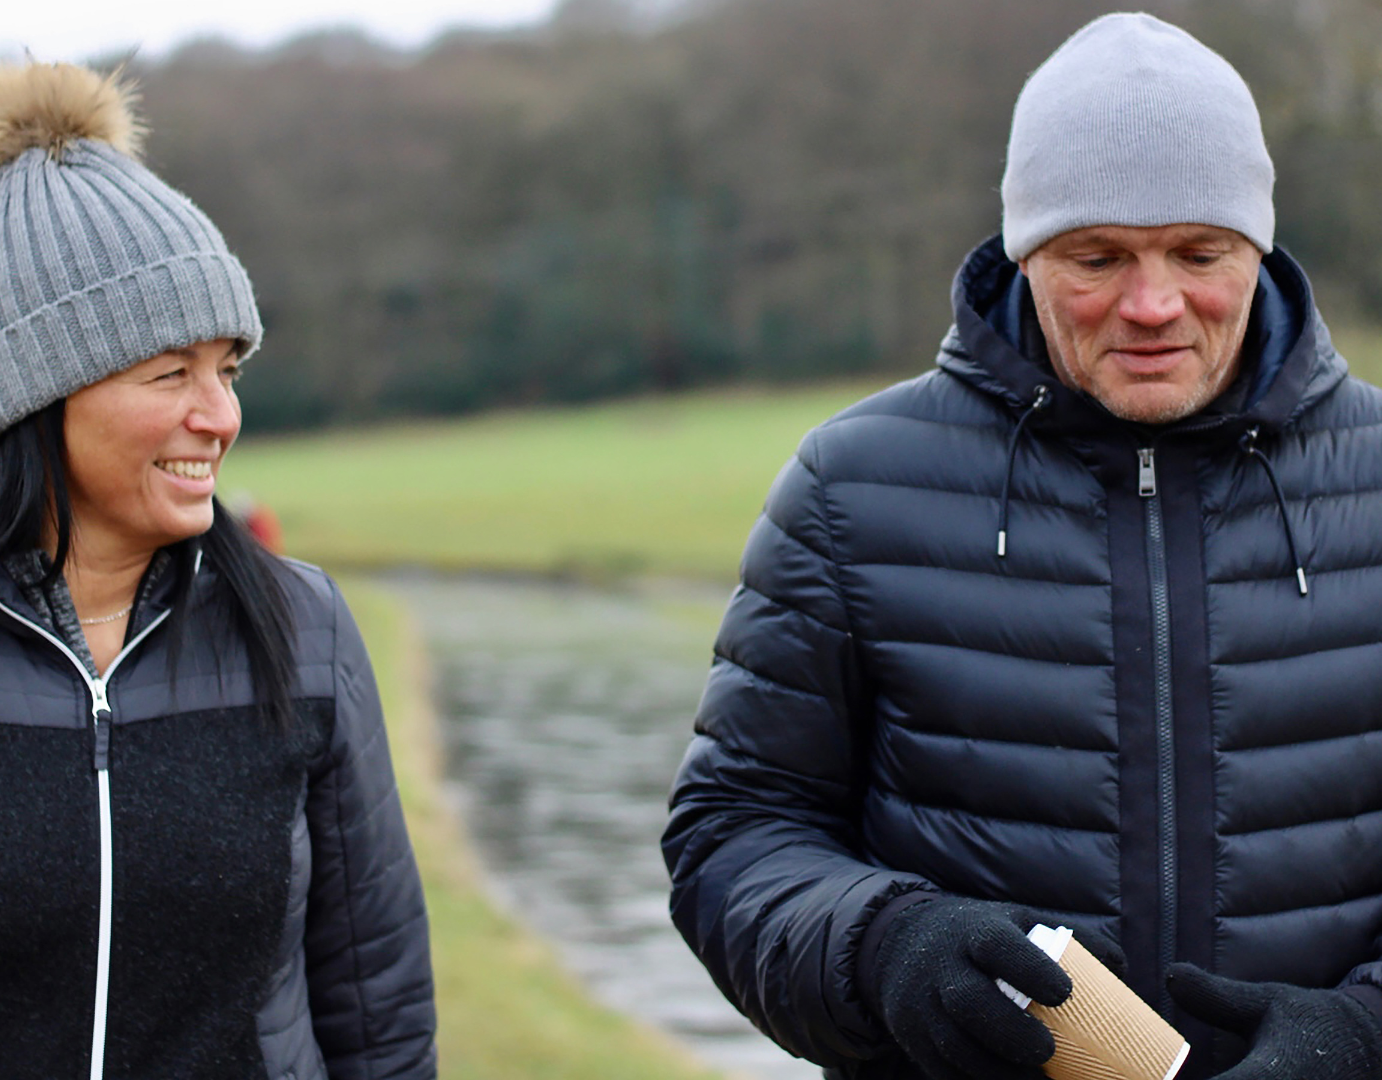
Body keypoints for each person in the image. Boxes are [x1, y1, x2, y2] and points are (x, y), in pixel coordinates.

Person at [663, 13, 1382, 1080]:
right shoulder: (850, 485)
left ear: (1257, 249)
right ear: (1023, 253)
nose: (1151, 305)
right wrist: (879, 945)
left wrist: (1363, 1035)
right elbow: (734, 831)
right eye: (1095, 257)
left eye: (1198, 253)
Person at [0, 62, 436, 1078]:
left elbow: (376, 1004)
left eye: (226, 370)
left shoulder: (301, 625)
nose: (220, 416)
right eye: (170, 374)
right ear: (34, 395)